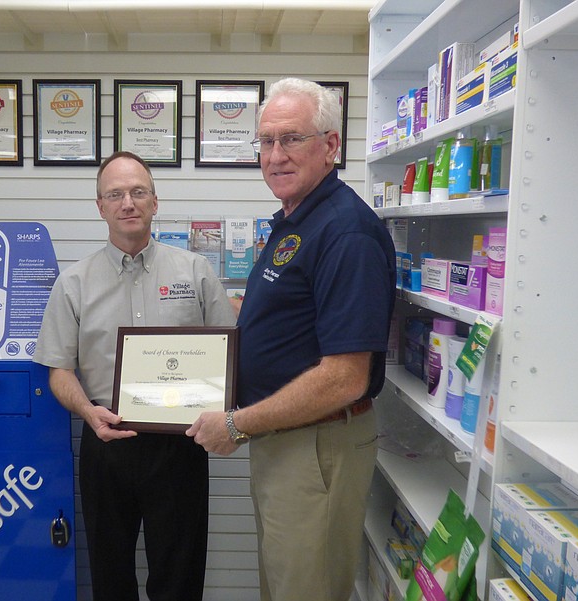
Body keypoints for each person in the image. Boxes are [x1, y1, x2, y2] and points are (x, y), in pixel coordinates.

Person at [187, 78, 396, 601]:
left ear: (330, 146)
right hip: (287, 441)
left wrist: (236, 423)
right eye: (265, 141)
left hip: (316, 446)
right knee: (285, 585)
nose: (275, 155)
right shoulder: (297, 218)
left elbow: (344, 378)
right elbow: (291, 318)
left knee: (307, 590)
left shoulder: (345, 231)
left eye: (291, 139)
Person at [34, 150, 235, 601]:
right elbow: (59, 371)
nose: (129, 202)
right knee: (110, 575)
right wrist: (87, 410)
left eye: (138, 192)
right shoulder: (74, 283)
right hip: (107, 441)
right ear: (100, 206)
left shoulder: (196, 272)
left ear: (155, 202)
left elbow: (228, 354)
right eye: (116, 194)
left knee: (179, 575)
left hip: (181, 444)